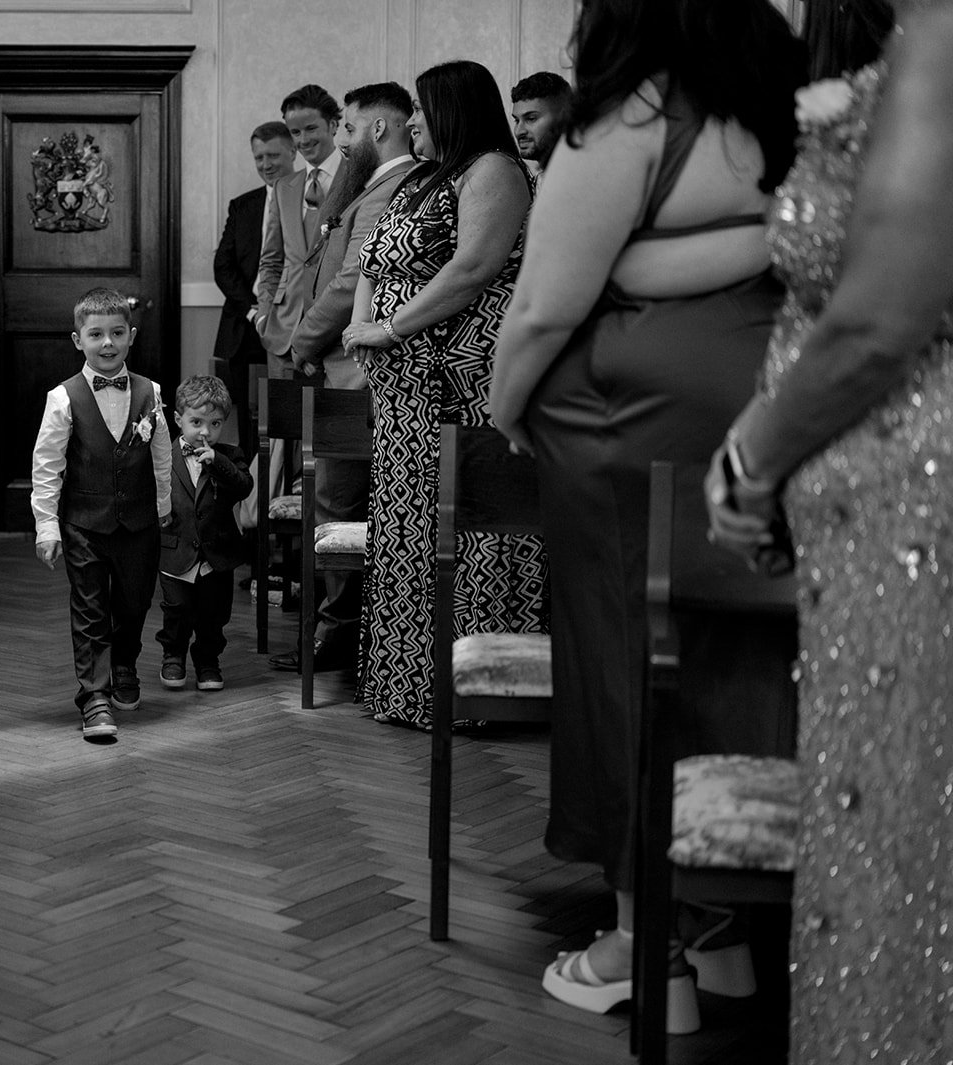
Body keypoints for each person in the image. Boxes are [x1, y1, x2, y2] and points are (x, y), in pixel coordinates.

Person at [489, 0, 806, 1031]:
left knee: (620, 657)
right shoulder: (779, 108)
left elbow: (542, 306)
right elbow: (773, 238)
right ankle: (717, 932)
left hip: (628, 423)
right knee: (727, 650)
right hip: (765, 401)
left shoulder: (627, 120)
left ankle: (640, 946)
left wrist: (502, 409)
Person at [704, 2, 953, 1060]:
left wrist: (751, 460)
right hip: (870, 516)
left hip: (913, 513)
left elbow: (875, 324)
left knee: (901, 849)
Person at [338, 61, 546, 730]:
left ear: (453, 109)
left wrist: (390, 327)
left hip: (462, 386)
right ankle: (410, 688)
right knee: (410, 534)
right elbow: (372, 259)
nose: (414, 123)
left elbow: (473, 268)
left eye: (423, 111)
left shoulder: (494, 171)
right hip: (404, 400)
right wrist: (358, 326)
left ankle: (477, 698)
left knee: (461, 528)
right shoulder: (422, 180)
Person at [268, 82, 417, 675]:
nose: (341, 142)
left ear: (376, 130)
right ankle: (340, 631)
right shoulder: (371, 186)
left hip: (351, 370)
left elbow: (352, 281)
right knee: (334, 498)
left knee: (338, 500)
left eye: (348, 129)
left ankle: (339, 638)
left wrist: (303, 342)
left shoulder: (387, 190)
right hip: (340, 362)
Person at [31, 288, 173, 742]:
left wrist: (164, 507)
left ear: (130, 336)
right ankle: (94, 695)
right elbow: (47, 465)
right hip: (84, 523)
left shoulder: (151, 393)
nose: (107, 343)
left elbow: (163, 456)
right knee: (89, 608)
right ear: (78, 340)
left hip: (139, 521)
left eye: (116, 333)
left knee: (134, 603)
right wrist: (47, 526)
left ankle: (125, 661)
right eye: (96, 334)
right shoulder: (63, 397)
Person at [155, 376, 253, 693]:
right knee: (177, 610)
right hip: (175, 549)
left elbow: (243, 487)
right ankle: (173, 655)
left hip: (217, 553)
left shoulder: (231, 456)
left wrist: (219, 463)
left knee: (214, 613)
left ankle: (208, 659)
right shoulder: (162, 457)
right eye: (196, 422)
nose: (205, 432)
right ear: (178, 419)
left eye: (214, 423)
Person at [212, 120, 296, 458]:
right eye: (259, 157)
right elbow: (223, 266)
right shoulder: (242, 205)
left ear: (293, 151)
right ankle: (249, 491)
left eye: (273, 155)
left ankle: (282, 485)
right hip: (244, 326)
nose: (266, 165)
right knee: (248, 415)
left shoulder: (309, 199)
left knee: (287, 412)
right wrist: (252, 308)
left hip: (292, 322)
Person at [256, 84, 344, 382]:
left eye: (310, 128)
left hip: (338, 339)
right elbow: (271, 260)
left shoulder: (360, 178)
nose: (303, 140)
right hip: (282, 336)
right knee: (281, 428)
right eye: (295, 133)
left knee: (334, 428)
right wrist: (264, 313)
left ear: (333, 125)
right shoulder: (284, 187)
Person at [509, 71, 574, 176]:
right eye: (517, 120)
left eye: (531, 119)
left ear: (564, 117)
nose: (518, 131)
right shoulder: (543, 177)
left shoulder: (578, 175)